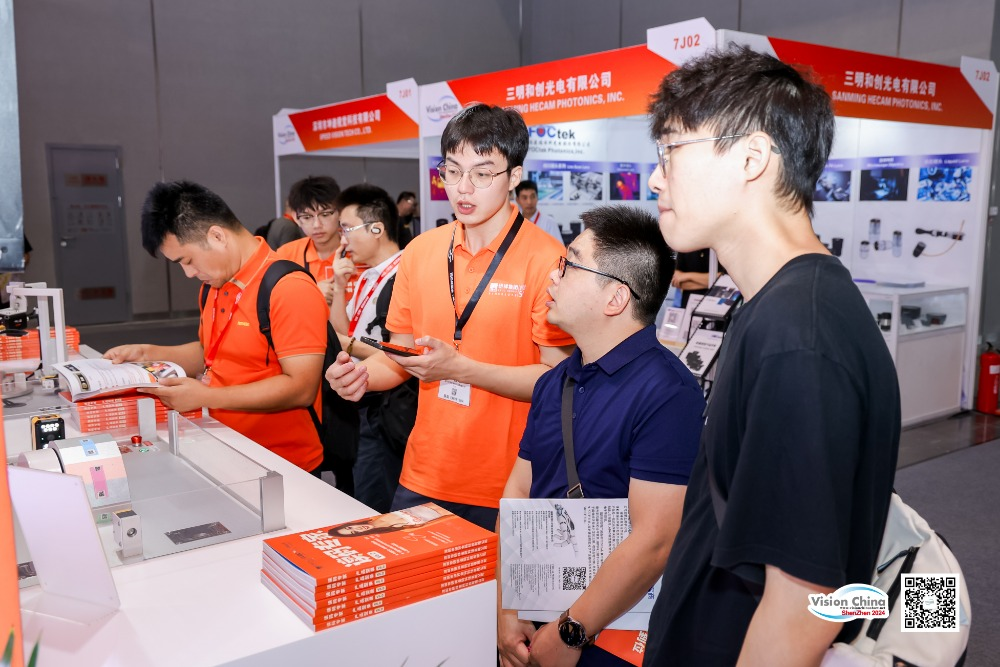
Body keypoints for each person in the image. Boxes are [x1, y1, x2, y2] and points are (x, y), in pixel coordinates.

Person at [642, 45, 900, 666]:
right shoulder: (779, 306)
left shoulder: (800, 337)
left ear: (751, 158)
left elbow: (801, 606)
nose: (655, 178)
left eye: (671, 151)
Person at [326, 103, 575, 531]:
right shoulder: (422, 250)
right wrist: (362, 377)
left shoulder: (547, 259)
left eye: (482, 174)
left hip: (510, 481)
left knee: (497, 580)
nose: (463, 188)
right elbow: (401, 355)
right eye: (453, 171)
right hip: (425, 470)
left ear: (514, 176)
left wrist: (460, 369)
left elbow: (556, 380)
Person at [498, 206, 704, 667]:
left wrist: (570, 633)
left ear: (615, 297)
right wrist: (508, 608)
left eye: (570, 265)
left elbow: (655, 539)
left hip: (611, 630)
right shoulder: (555, 382)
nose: (553, 277)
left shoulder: (668, 393)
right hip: (537, 610)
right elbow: (519, 490)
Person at [104, 181, 329, 472]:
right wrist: (148, 353)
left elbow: (301, 388)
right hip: (222, 445)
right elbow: (211, 352)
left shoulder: (288, 288)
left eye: (188, 260)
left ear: (218, 236)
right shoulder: (213, 285)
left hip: (282, 463)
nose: (188, 273)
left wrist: (205, 396)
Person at [329, 183, 407, 513]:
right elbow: (341, 330)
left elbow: (401, 353)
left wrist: (348, 344)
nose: (343, 240)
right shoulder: (365, 276)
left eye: (347, 228)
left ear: (377, 228)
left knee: (377, 502)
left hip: (387, 407)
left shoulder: (405, 275)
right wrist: (339, 286)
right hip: (361, 400)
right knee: (360, 494)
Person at [275, 176, 343, 306]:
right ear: (296, 218)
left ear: (340, 212)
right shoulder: (285, 256)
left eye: (325, 214)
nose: (317, 225)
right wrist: (311, 292)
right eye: (307, 217)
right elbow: (272, 298)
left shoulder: (359, 252)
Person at [328, 503, 449, 537]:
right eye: (354, 532)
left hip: (424, 502)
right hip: (442, 515)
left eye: (350, 528)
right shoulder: (394, 532)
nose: (357, 529)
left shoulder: (374, 517)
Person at [514, 180, 563, 245]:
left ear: (537, 197)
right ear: (517, 200)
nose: (529, 202)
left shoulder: (549, 223)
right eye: (524, 198)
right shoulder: (514, 223)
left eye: (532, 197)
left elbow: (559, 249)